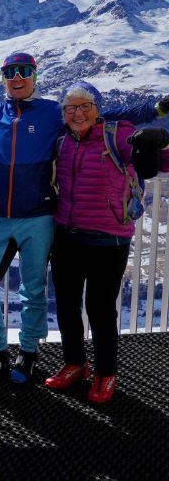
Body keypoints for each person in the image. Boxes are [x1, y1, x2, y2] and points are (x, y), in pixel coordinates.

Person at [0, 52, 167, 384]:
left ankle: (27, 356)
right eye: (10, 72)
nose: (17, 77)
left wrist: (155, 110)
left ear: (34, 76)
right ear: (3, 78)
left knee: (34, 290)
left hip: (39, 217)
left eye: (24, 71)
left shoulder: (54, 111)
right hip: (0, 216)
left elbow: (100, 114)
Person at [46, 82, 169, 403]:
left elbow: (157, 161)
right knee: (66, 305)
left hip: (108, 238)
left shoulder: (116, 135)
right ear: (63, 113)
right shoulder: (61, 140)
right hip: (66, 235)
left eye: (85, 106)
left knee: (100, 310)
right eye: (71, 107)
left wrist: (159, 142)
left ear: (98, 109)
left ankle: (106, 372)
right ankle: (74, 363)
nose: (78, 113)